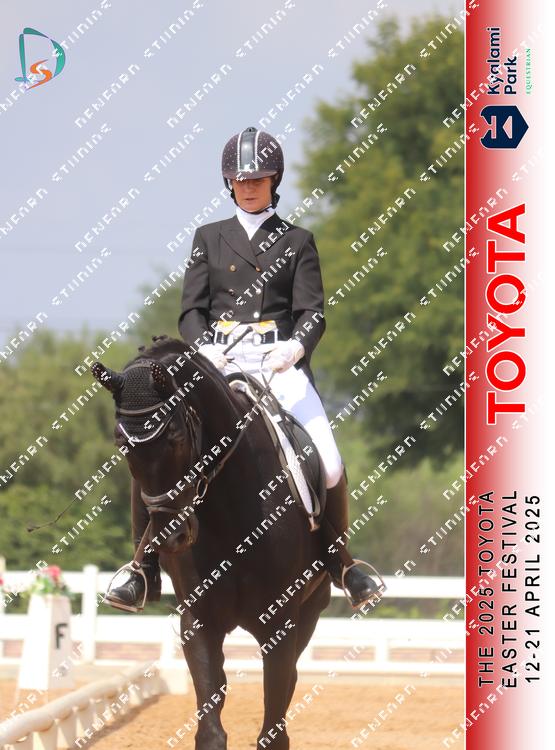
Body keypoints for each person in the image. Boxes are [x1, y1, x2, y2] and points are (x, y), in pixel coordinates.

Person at [105, 127, 384, 612]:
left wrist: (295, 348)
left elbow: (312, 312)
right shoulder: (208, 238)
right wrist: (205, 349)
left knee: (330, 460)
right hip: (218, 362)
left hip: (278, 364)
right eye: (240, 179)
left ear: (275, 180)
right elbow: (192, 311)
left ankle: (341, 561)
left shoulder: (297, 240)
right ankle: (142, 567)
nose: (249, 186)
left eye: (257, 179)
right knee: (155, 443)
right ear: (228, 183)